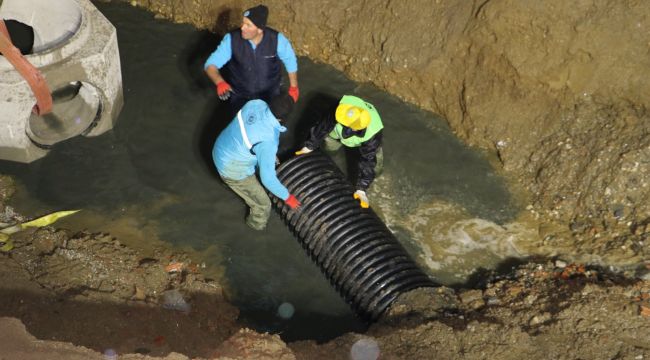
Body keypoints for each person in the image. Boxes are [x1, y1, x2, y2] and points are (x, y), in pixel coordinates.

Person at [213, 93, 301, 230]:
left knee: (262, 158)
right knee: (263, 204)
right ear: (283, 118)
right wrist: (288, 197)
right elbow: (268, 180)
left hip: (221, 147)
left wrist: (268, 155)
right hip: (231, 168)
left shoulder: (256, 104)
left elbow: (253, 133)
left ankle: (229, 184)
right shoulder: (268, 140)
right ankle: (255, 225)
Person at [204, 4, 299, 113]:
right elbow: (210, 65)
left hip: (270, 95)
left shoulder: (277, 40)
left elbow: (290, 60)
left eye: (248, 25)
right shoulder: (232, 40)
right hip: (240, 96)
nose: (242, 27)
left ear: (259, 29)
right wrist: (220, 82)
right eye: (243, 22)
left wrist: (294, 87)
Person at [295, 95, 383, 209]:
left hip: (365, 143)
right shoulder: (343, 108)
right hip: (335, 135)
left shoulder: (373, 133)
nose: (339, 118)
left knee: (376, 167)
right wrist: (309, 146)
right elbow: (323, 125)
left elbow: (368, 160)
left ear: (355, 128)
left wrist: (361, 189)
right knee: (330, 151)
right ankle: (329, 167)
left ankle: (373, 180)